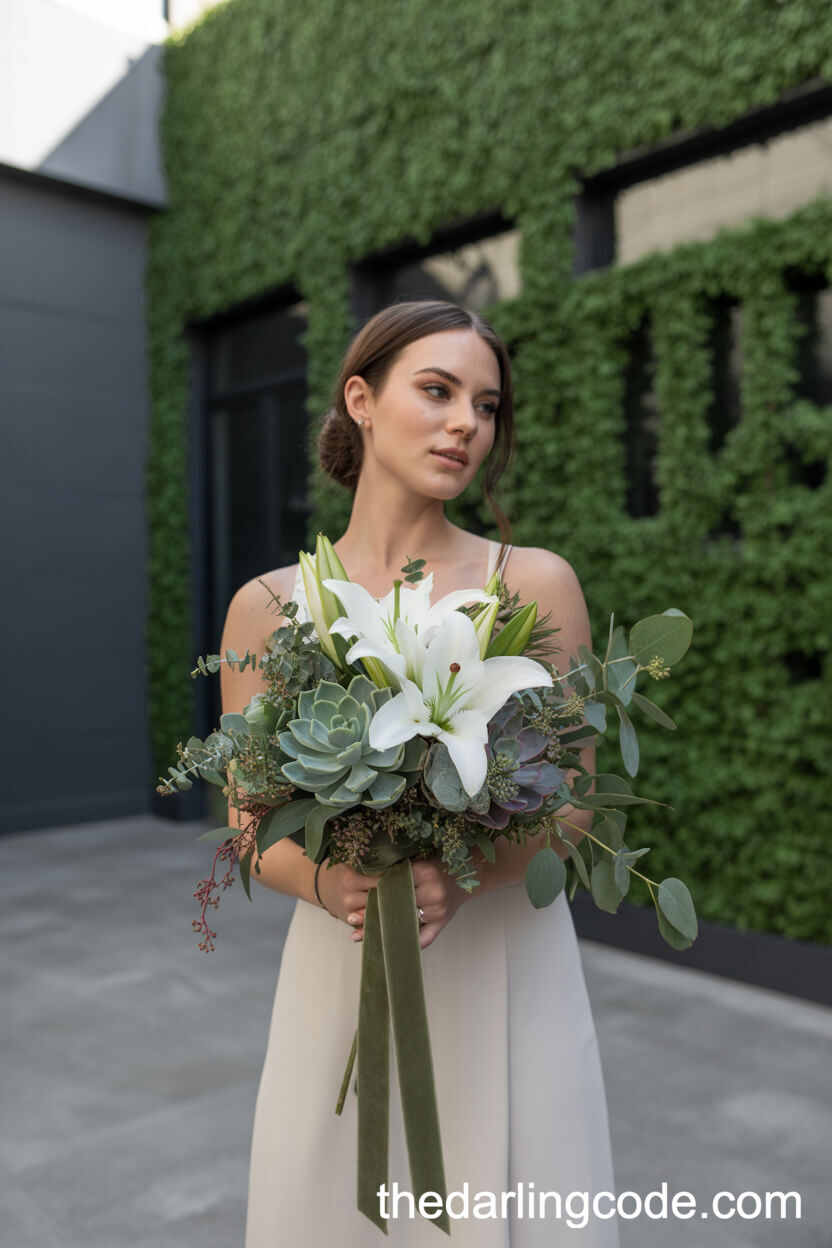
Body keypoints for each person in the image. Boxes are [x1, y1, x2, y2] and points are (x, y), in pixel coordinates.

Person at [220, 300, 621, 1246]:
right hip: (341, 959)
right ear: (360, 398)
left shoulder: (536, 583)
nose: (465, 425)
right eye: (437, 392)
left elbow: (575, 807)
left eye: (485, 406)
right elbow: (249, 823)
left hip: (500, 964)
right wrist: (332, 881)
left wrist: (462, 873)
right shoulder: (268, 605)